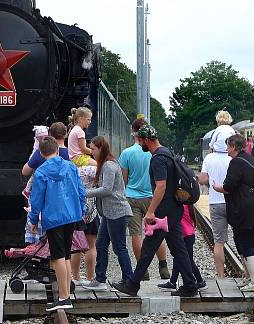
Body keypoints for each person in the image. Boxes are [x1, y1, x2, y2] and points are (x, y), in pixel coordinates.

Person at [111, 125, 199, 298]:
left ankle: (132, 285)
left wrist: (151, 211)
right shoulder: (167, 152)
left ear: (146, 140)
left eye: (141, 140)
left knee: (149, 247)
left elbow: (161, 186)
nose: (140, 143)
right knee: (178, 248)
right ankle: (190, 285)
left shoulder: (158, 159)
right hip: (174, 209)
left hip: (164, 211)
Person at [29, 136, 86, 311]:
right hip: (72, 216)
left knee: (58, 256)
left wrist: (33, 219)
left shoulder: (41, 172)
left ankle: (63, 298)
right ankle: (66, 292)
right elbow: (81, 191)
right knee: (66, 255)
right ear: (57, 150)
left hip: (53, 218)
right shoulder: (71, 167)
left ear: (41, 152)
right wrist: (81, 210)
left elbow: (36, 199)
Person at [213, 134, 254, 290]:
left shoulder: (236, 162)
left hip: (244, 210)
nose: (227, 149)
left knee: (246, 243)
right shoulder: (249, 159)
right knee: (242, 241)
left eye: (228, 146)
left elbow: (229, 185)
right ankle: (250, 277)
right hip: (250, 208)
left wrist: (218, 188)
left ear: (233, 146)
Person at [119, 118, 169, 280]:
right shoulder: (153, 153)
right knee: (156, 233)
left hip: (132, 197)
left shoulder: (126, 153)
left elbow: (124, 179)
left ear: (133, 132)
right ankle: (163, 267)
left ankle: (143, 271)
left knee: (136, 235)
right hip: (152, 197)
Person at [84, 136, 133, 291]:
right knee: (101, 244)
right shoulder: (107, 164)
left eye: (93, 149)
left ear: (101, 148)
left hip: (117, 212)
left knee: (119, 248)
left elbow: (107, 189)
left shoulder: (108, 166)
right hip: (109, 213)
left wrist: (85, 193)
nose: (91, 152)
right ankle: (100, 279)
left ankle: (129, 281)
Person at [199, 124, 232, 278]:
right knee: (240, 239)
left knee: (218, 242)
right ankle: (247, 274)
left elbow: (202, 179)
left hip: (215, 203)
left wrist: (212, 181)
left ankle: (221, 276)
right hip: (233, 203)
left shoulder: (209, 158)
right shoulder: (233, 158)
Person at [161, 205, 206, 290]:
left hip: (185, 236)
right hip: (189, 234)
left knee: (187, 260)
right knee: (179, 259)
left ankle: (200, 281)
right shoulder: (187, 205)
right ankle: (173, 282)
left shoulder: (179, 207)